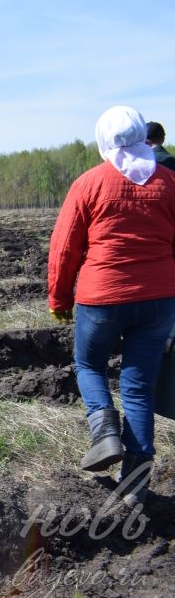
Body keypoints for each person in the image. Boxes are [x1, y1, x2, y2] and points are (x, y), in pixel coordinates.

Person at [48, 106, 175, 507]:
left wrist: (59, 298)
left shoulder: (89, 183)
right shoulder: (170, 183)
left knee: (89, 365)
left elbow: (65, 247)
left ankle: (104, 434)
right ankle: (135, 481)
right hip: (158, 300)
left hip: (101, 297)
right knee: (138, 387)